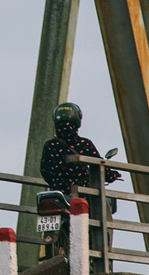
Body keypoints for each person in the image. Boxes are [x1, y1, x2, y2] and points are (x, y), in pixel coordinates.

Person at [38, 102, 118, 261]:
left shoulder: (49, 145)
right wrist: (112, 175)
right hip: (79, 195)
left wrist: (56, 182)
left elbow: (44, 170)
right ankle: (96, 254)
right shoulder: (84, 144)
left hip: (56, 194)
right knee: (96, 218)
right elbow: (99, 166)